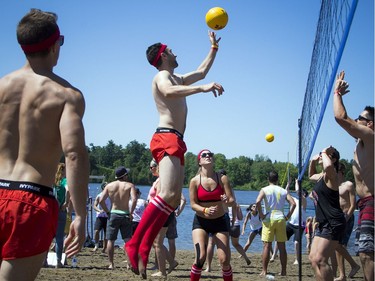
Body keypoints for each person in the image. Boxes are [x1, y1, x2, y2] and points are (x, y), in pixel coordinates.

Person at [125, 31, 224, 279]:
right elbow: (170, 92)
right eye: (172, 50)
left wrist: (213, 49)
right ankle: (136, 244)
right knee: (168, 195)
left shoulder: (176, 76)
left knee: (170, 199)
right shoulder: (162, 76)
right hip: (166, 136)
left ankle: (143, 244)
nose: (176, 53)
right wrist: (202, 89)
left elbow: (201, 72)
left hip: (177, 139)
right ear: (164, 56)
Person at [0, 9, 89, 281]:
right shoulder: (66, 95)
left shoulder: (2, 86)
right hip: (30, 199)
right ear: (54, 45)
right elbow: (73, 155)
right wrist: (80, 215)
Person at [333, 70, 374, 281]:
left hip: (371, 202)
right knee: (366, 252)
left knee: (366, 253)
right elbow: (346, 118)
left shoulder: (370, 136)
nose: (356, 120)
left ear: (370, 124)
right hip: (365, 202)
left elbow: (341, 117)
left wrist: (336, 94)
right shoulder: (361, 143)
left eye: (361, 118)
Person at [189, 149, 236, 281]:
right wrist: (204, 210)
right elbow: (193, 204)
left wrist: (227, 200)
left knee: (224, 260)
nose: (208, 156)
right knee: (200, 257)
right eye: (204, 155)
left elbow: (232, 201)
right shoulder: (194, 181)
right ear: (199, 161)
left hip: (219, 222)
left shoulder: (222, 179)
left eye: (210, 155)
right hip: (201, 222)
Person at [308, 146, 348, 281]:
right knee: (313, 259)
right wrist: (312, 162)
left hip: (333, 222)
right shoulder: (322, 176)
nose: (321, 156)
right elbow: (310, 175)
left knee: (320, 260)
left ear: (334, 159)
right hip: (323, 222)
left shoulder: (332, 174)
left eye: (324, 155)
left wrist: (324, 152)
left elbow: (329, 167)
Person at [255, 171, 296, 277]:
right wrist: (287, 216)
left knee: (266, 246)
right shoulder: (283, 191)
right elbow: (293, 203)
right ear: (277, 180)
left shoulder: (264, 190)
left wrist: (261, 214)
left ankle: (264, 270)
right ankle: (283, 271)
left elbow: (258, 202)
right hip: (280, 219)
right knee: (282, 246)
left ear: (268, 179)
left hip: (269, 219)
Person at [99, 167, 137, 269]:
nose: (127, 176)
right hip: (125, 214)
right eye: (126, 175)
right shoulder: (129, 185)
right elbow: (134, 200)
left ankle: (111, 264)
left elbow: (101, 200)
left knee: (111, 240)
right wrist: (131, 212)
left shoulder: (109, 186)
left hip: (114, 214)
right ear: (124, 176)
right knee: (128, 240)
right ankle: (129, 264)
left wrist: (107, 212)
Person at [147, 160, 178, 278]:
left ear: (159, 167)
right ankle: (171, 262)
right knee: (156, 242)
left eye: (152, 167)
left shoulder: (161, 181)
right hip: (161, 213)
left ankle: (162, 271)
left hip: (160, 213)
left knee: (157, 243)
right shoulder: (159, 180)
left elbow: (160, 197)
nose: (151, 169)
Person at [270, 179, 307, 265]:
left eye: (303, 193)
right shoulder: (293, 200)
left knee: (296, 242)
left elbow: (298, 192)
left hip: (299, 226)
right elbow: (286, 193)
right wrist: (288, 184)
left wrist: (297, 183)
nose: (301, 194)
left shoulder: (304, 202)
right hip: (291, 224)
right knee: (279, 238)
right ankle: (274, 255)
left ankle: (297, 259)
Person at [335, 163, 361, 280]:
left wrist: (347, 217)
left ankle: (352, 267)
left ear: (341, 173)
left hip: (347, 217)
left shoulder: (348, 185)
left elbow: (353, 204)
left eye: (336, 172)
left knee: (339, 245)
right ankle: (344, 273)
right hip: (337, 218)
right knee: (337, 245)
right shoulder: (334, 185)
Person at [53, 163, 70, 268]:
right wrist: (66, 204)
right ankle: (58, 261)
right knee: (59, 237)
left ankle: (44, 260)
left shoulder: (53, 181)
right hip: (60, 210)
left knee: (48, 236)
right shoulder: (65, 181)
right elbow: (68, 190)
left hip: (51, 210)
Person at [92, 182, 111, 253]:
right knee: (96, 231)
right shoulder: (99, 196)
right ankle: (96, 245)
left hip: (108, 216)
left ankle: (104, 247)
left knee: (107, 233)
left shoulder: (111, 196)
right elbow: (94, 205)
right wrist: (99, 210)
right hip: (100, 216)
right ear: (103, 188)